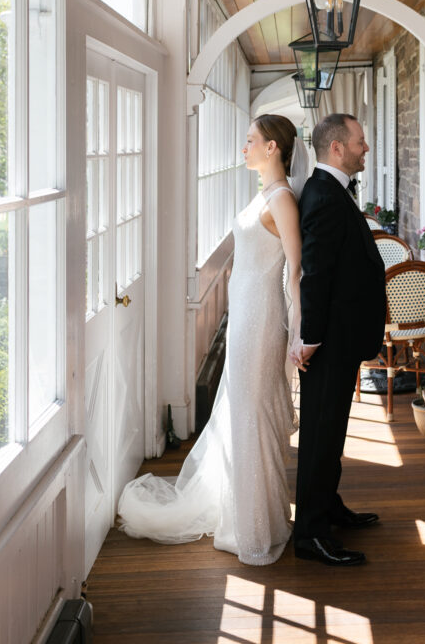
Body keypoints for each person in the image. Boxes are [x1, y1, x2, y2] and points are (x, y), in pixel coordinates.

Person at [118, 114, 308, 565]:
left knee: (252, 417)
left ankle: (256, 530)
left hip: (261, 319)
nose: (243, 149)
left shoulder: (282, 199)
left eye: (250, 141)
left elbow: (295, 272)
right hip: (242, 314)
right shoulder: (264, 192)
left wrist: (299, 334)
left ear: (273, 148)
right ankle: (245, 517)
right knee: (240, 414)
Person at [289, 113, 386, 566]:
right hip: (327, 341)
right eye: (360, 142)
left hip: (341, 337)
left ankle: (328, 506)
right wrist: (309, 337)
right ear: (337, 148)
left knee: (332, 431)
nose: (365, 148)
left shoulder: (330, 190)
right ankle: (309, 534)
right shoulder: (325, 196)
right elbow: (317, 273)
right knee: (320, 435)